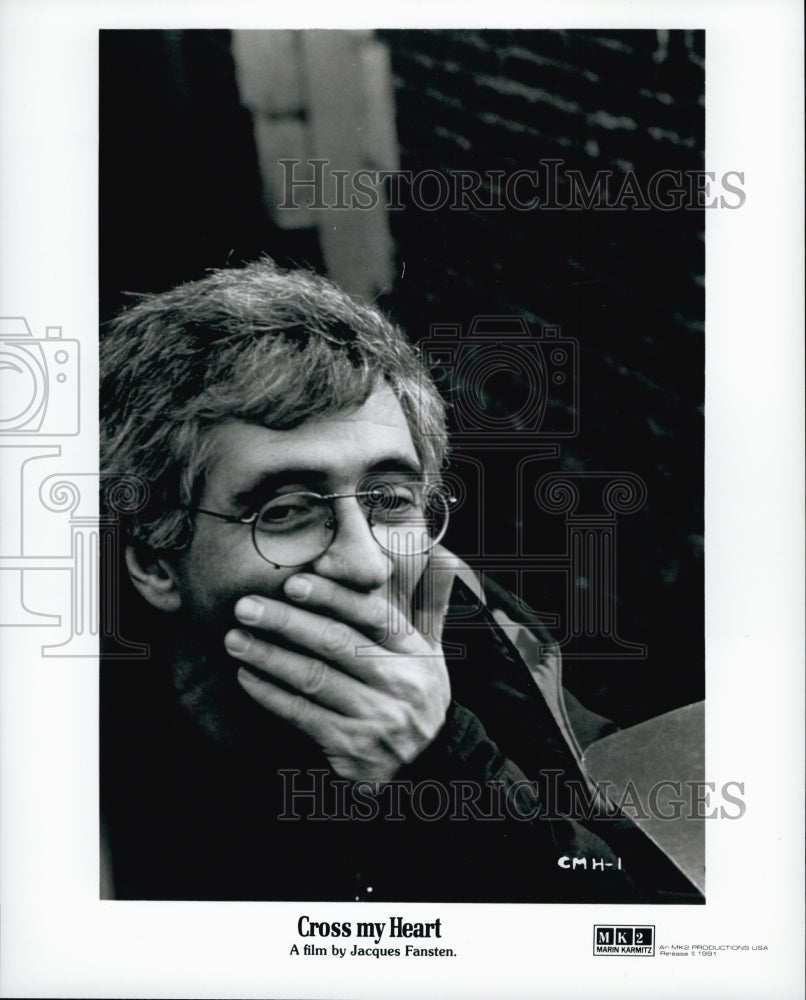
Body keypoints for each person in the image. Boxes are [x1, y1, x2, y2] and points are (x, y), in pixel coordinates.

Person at [100, 258, 647, 903]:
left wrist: (446, 772)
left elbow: (638, 917)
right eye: (285, 512)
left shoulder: (474, 626)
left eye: (388, 499)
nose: (366, 564)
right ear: (155, 563)